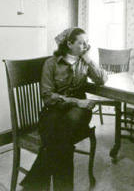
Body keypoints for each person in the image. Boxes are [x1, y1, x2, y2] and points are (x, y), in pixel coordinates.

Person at [20, 27, 107, 191]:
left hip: (78, 113)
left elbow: (102, 80)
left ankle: (33, 186)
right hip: (55, 110)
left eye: (87, 43)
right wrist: (76, 101)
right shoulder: (51, 63)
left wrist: (88, 58)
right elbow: (47, 96)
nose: (86, 46)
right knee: (62, 143)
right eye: (82, 43)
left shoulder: (83, 62)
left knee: (61, 130)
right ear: (69, 43)